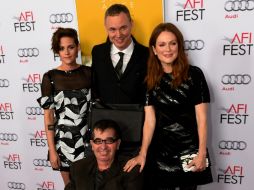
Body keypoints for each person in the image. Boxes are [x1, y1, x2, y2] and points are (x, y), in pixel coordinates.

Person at [124, 23, 213, 189]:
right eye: (162, 44)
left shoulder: (195, 75)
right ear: (154, 49)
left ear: (179, 46)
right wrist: (142, 153)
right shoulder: (149, 79)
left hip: (190, 151)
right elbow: (149, 121)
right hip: (160, 152)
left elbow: (202, 119)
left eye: (172, 43)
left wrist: (202, 153)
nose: (168, 49)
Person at [37, 27, 91, 186]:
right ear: (56, 51)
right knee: (70, 188)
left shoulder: (89, 73)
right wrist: (52, 150)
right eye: (61, 48)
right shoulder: (50, 77)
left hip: (88, 142)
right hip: (63, 143)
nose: (66, 52)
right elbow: (48, 117)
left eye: (71, 47)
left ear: (78, 47)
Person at [91, 3, 149, 105]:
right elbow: (95, 89)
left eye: (123, 28)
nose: (118, 35)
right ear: (106, 28)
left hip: (137, 118)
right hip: (106, 118)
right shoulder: (97, 52)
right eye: (112, 29)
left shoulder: (147, 54)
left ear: (131, 24)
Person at [65, 119, 143, 190]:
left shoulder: (131, 170)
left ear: (118, 144)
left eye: (109, 141)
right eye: (98, 141)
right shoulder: (78, 168)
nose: (103, 147)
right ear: (92, 145)